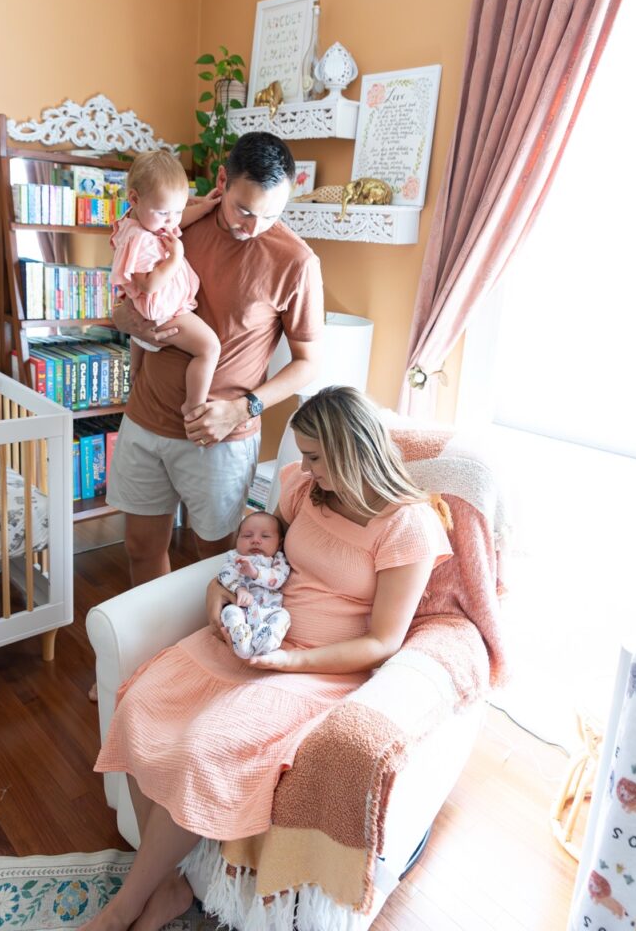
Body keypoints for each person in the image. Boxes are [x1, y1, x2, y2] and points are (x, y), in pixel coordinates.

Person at [88, 387, 452, 931]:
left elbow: (383, 641)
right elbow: (254, 555)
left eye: (315, 457)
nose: (302, 468)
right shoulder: (307, 491)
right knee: (141, 702)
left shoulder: (408, 526)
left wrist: (290, 664)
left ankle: (122, 910)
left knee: (202, 746)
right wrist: (218, 597)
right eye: (303, 456)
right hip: (253, 634)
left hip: (316, 668)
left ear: (352, 450)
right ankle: (165, 886)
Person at [108, 132, 324, 588]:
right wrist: (127, 321)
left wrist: (245, 408)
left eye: (271, 214)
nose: (254, 226)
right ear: (223, 181)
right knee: (141, 549)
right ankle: (158, 657)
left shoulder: (297, 261)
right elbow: (122, 301)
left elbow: (308, 363)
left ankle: (208, 654)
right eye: (244, 209)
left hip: (220, 436)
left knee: (217, 556)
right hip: (146, 419)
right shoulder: (173, 224)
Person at [110, 150, 221, 415]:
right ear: (134, 198)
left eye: (178, 211)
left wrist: (203, 207)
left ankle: (136, 370)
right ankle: (194, 403)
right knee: (209, 348)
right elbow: (149, 285)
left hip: (148, 306)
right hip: (163, 308)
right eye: (163, 212)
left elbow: (175, 220)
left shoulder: (147, 221)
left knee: (139, 336)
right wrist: (175, 258)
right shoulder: (138, 241)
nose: (171, 221)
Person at [218, 511, 291, 659]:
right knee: (229, 612)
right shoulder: (235, 557)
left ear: (280, 543)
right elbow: (225, 574)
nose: (255, 540)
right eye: (247, 536)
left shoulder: (278, 559)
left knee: (284, 617)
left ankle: (265, 640)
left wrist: (255, 573)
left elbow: (278, 578)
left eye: (265, 536)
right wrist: (240, 589)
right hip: (242, 609)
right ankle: (241, 641)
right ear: (237, 539)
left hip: (270, 611)